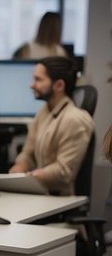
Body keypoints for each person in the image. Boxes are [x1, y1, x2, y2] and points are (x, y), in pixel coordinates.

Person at [9, 56, 93, 196]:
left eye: (38, 80)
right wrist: (20, 166)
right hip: (40, 193)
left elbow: (63, 172)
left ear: (59, 85)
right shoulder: (44, 111)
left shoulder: (75, 119)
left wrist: (29, 178)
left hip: (60, 200)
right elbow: (28, 153)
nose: (32, 85)